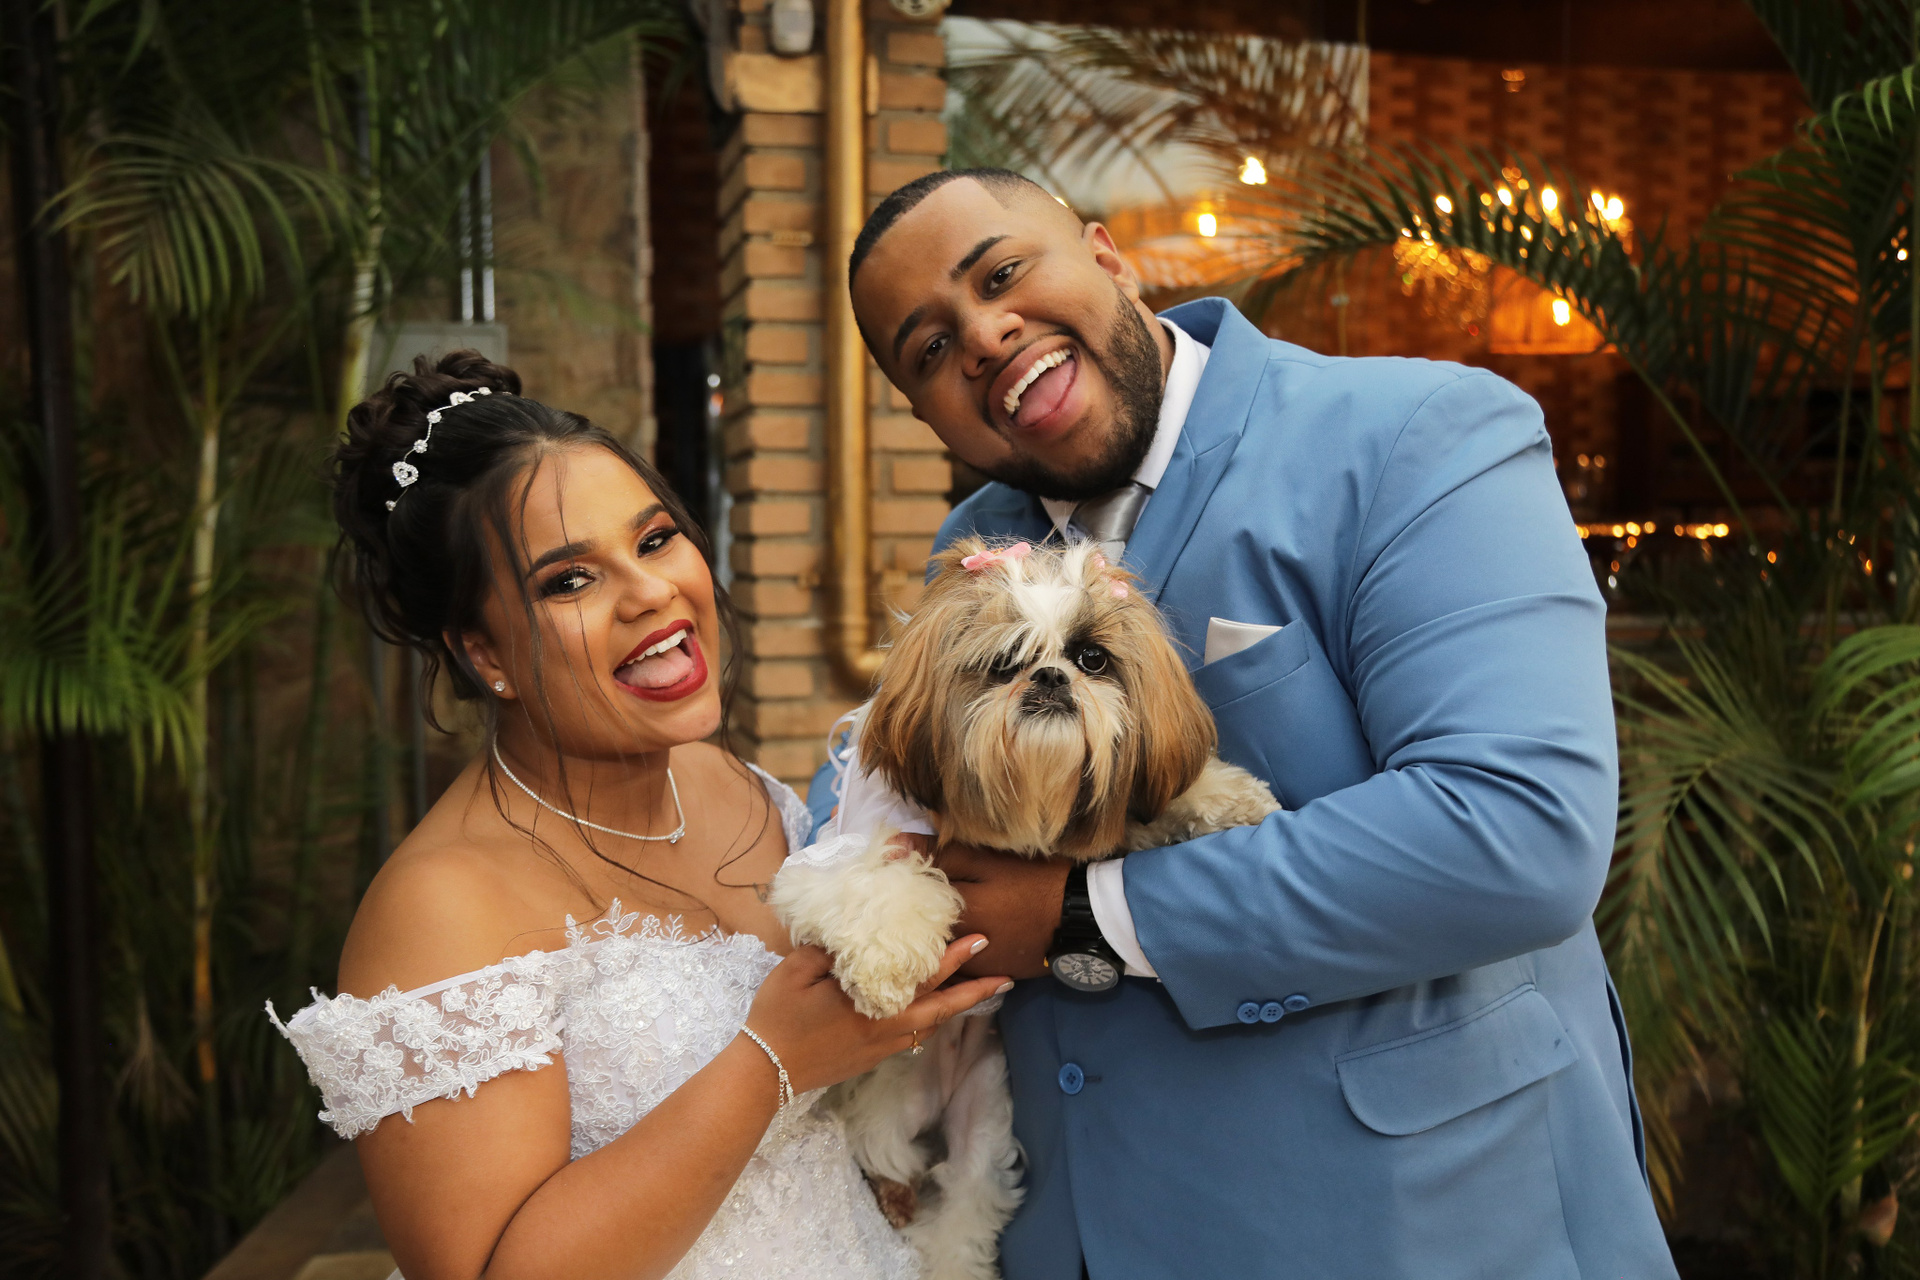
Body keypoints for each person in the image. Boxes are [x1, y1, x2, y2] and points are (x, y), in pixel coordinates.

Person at [810, 169, 1680, 1279]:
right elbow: (883, 802)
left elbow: (1518, 831)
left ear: (1106, 255)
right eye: (930, 349)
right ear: (920, 410)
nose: (983, 337)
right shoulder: (972, 548)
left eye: (1003, 273)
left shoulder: (1419, 435)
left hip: (1411, 1224)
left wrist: (1082, 917)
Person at [270, 352, 1009, 1280]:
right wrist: (770, 1064)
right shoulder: (440, 907)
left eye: (656, 540)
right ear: (483, 652)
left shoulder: (734, 787)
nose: (652, 591)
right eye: (569, 581)